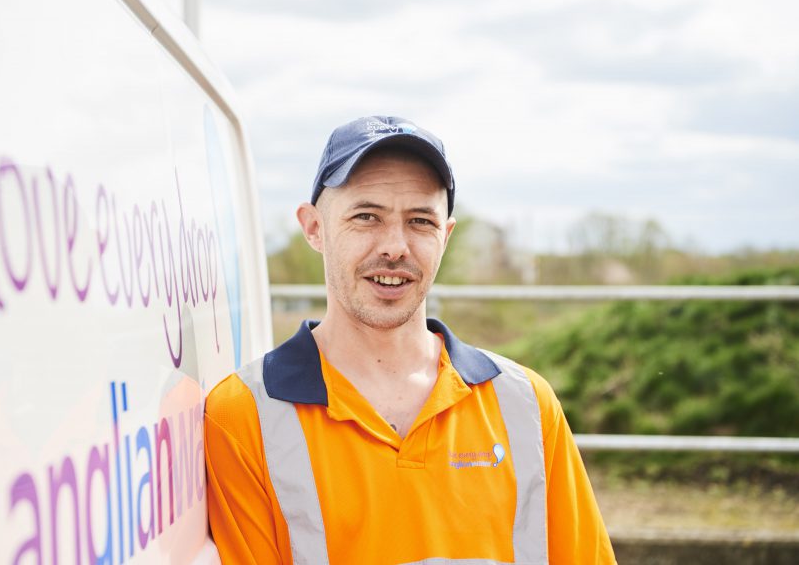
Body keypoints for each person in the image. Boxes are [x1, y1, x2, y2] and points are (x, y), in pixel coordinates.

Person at [204, 115, 616, 564]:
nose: (395, 246)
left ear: (446, 235)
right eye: (366, 216)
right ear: (314, 227)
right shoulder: (245, 415)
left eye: (420, 220)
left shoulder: (527, 406)